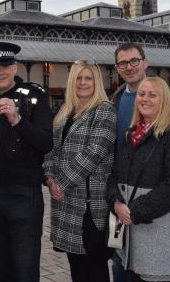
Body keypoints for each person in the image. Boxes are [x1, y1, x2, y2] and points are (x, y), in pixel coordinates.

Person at [0, 42, 53, 282]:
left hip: (24, 195)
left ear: (15, 67)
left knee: (25, 269)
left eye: (6, 66)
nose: (0, 72)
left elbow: (46, 142)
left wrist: (18, 120)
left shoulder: (34, 97)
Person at [110, 42, 170, 282]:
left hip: (154, 209)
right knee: (123, 266)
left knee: (153, 270)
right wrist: (115, 200)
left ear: (145, 62)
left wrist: (139, 209)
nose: (130, 67)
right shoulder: (117, 98)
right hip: (122, 200)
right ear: (117, 68)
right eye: (123, 63)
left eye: (134, 61)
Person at [43, 60, 116, 282]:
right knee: (77, 269)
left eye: (88, 78)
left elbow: (94, 153)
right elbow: (50, 150)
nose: (83, 83)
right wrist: (49, 178)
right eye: (78, 78)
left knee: (95, 269)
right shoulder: (64, 112)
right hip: (66, 205)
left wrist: (61, 184)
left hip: (90, 207)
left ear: (97, 82)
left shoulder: (104, 110)